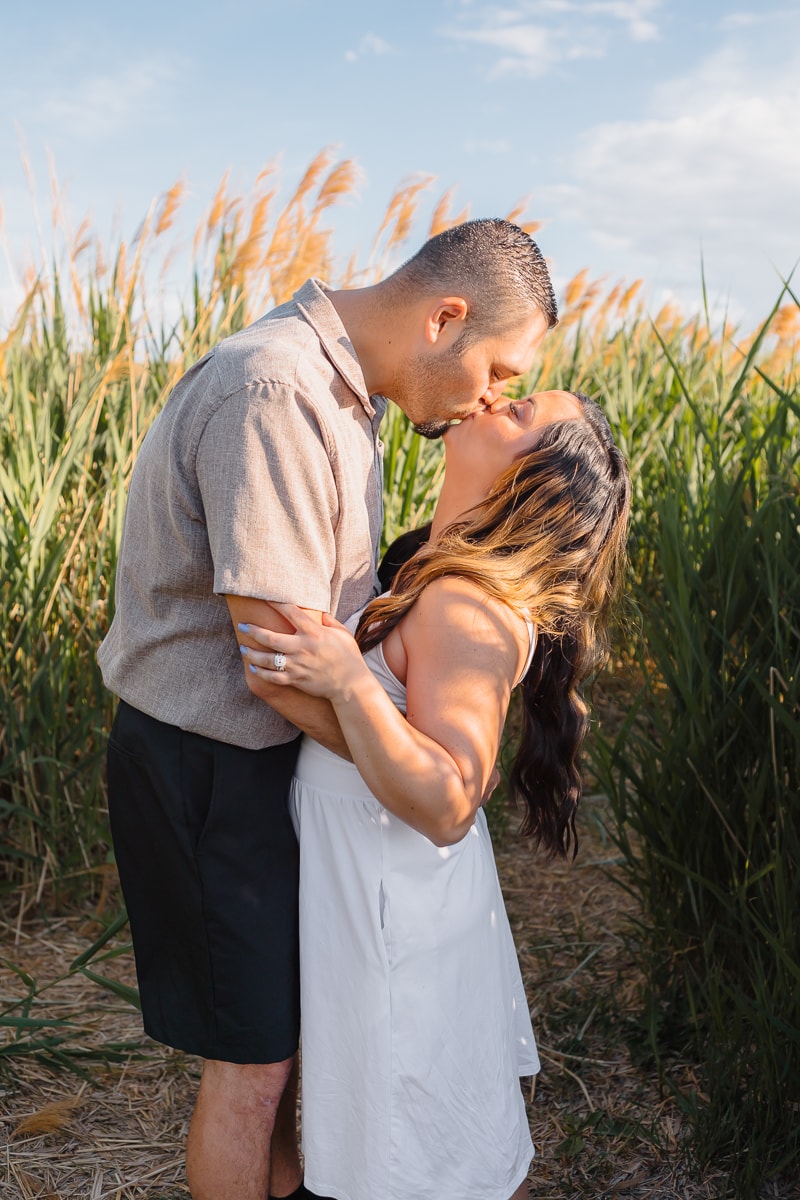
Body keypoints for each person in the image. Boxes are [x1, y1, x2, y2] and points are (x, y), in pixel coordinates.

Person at [96, 219, 558, 1200]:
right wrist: (420, 771)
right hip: (211, 764)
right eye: (497, 370)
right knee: (254, 1070)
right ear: (445, 317)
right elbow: (276, 665)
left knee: (291, 1049)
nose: (491, 396)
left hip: (270, 764)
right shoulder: (275, 392)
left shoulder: (348, 399)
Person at [238, 390, 631, 1200]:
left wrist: (348, 680)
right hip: (383, 897)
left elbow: (452, 799)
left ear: (527, 485)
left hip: (394, 916)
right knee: (417, 1143)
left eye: (516, 409)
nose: (489, 396)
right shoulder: (438, 573)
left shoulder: (462, 606)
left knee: (411, 1151)